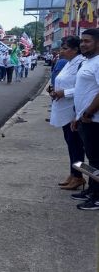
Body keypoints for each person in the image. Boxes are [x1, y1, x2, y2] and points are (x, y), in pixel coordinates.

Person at [49, 36, 86, 190]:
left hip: (74, 110)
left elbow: (82, 87)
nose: (62, 51)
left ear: (75, 49)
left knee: (77, 146)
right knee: (71, 145)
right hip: (64, 109)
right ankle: (74, 173)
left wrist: (64, 93)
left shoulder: (82, 63)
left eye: (65, 48)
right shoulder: (69, 63)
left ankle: (79, 176)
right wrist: (53, 90)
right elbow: (61, 80)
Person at [71, 28, 99, 210]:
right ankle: (92, 189)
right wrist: (78, 116)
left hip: (95, 121)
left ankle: (97, 197)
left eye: (87, 41)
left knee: (97, 161)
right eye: (82, 41)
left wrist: (88, 113)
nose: (82, 44)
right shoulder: (88, 62)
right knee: (92, 159)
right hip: (84, 119)